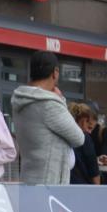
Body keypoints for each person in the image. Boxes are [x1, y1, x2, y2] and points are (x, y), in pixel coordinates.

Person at [12, 51, 86, 185]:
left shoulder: (20, 100)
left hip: (28, 178)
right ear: (55, 72)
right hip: (50, 184)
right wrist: (60, 100)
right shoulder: (49, 105)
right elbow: (78, 138)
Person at [69, 102, 101, 185]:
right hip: (82, 186)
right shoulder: (85, 138)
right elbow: (93, 170)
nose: (90, 132)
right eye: (89, 127)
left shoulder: (65, 133)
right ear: (83, 120)